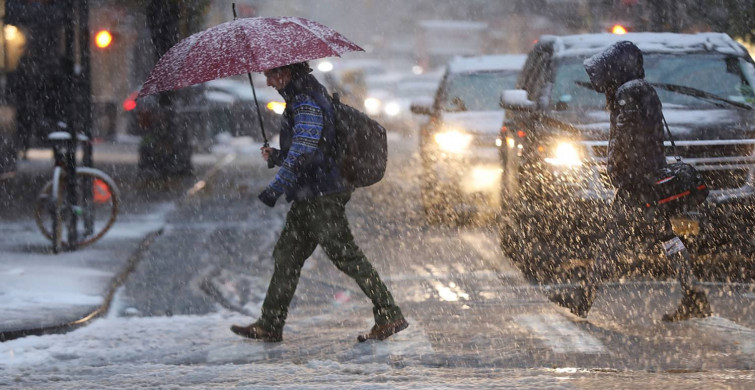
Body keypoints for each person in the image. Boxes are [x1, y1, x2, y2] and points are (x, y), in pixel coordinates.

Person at [230, 62, 408, 342]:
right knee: (287, 257)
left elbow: (304, 153)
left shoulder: (305, 102)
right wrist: (278, 157)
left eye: (271, 75)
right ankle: (270, 323)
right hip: (310, 194)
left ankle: (389, 312)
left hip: (322, 195)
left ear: (287, 73)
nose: (267, 82)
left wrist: (274, 189)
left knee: (346, 255)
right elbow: (310, 149)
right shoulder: (302, 98)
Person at [547, 41, 711, 322]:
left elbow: (625, 140)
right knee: (666, 238)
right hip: (648, 177)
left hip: (637, 183)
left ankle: (585, 296)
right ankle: (693, 294)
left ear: (617, 68)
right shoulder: (641, 89)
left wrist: (623, 175)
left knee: (613, 241)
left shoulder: (628, 93)